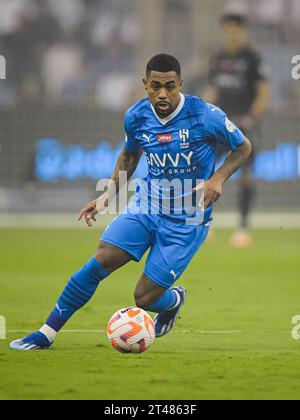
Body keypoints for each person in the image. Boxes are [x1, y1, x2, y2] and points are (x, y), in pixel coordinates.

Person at [10, 54, 252, 351]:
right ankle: (46, 333)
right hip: (146, 206)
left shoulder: (205, 115)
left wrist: (218, 179)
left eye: (169, 86)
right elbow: (129, 155)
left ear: (180, 84)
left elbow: (243, 147)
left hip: (187, 219)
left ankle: (174, 300)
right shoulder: (137, 116)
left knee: (144, 298)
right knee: (100, 261)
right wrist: (108, 195)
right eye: (155, 86)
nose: (162, 93)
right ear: (145, 84)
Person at [204, 14, 271, 247]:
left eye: (236, 30)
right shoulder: (218, 58)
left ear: (243, 32)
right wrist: (204, 114)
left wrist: (251, 116)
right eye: (228, 30)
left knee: (246, 176)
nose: (232, 34)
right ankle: (204, 223)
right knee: (206, 170)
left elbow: (263, 91)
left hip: (244, 125)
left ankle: (242, 226)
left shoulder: (252, 58)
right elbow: (213, 90)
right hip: (221, 124)